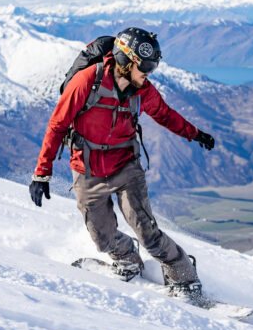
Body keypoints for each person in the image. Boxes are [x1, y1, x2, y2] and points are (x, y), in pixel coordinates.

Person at [29, 27, 215, 299]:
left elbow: (164, 114)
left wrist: (194, 133)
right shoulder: (86, 82)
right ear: (126, 61)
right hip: (88, 170)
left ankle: (185, 277)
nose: (149, 72)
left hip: (127, 166)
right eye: (145, 66)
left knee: (148, 233)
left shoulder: (143, 90)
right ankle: (127, 260)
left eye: (153, 65)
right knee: (102, 239)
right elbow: (57, 125)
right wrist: (42, 173)